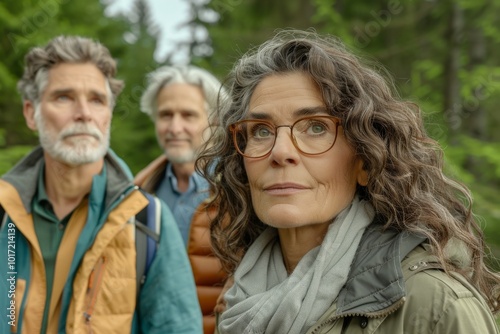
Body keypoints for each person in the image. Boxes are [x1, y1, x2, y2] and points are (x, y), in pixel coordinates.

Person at [197, 30, 500, 334]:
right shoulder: (241, 300)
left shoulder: (434, 307)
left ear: (365, 161)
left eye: (315, 127)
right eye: (261, 130)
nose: (280, 152)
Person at [0, 36, 202, 333]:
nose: (84, 113)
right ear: (31, 113)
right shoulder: (3, 213)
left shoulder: (149, 222)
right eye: (63, 97)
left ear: (108, 113)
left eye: (97, 100)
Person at [134, 65, 227, 334]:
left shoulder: (245, 192)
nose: (175, 127)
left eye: (188, 115)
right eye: (165, 115)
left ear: (215, 120)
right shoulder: (138, 196)